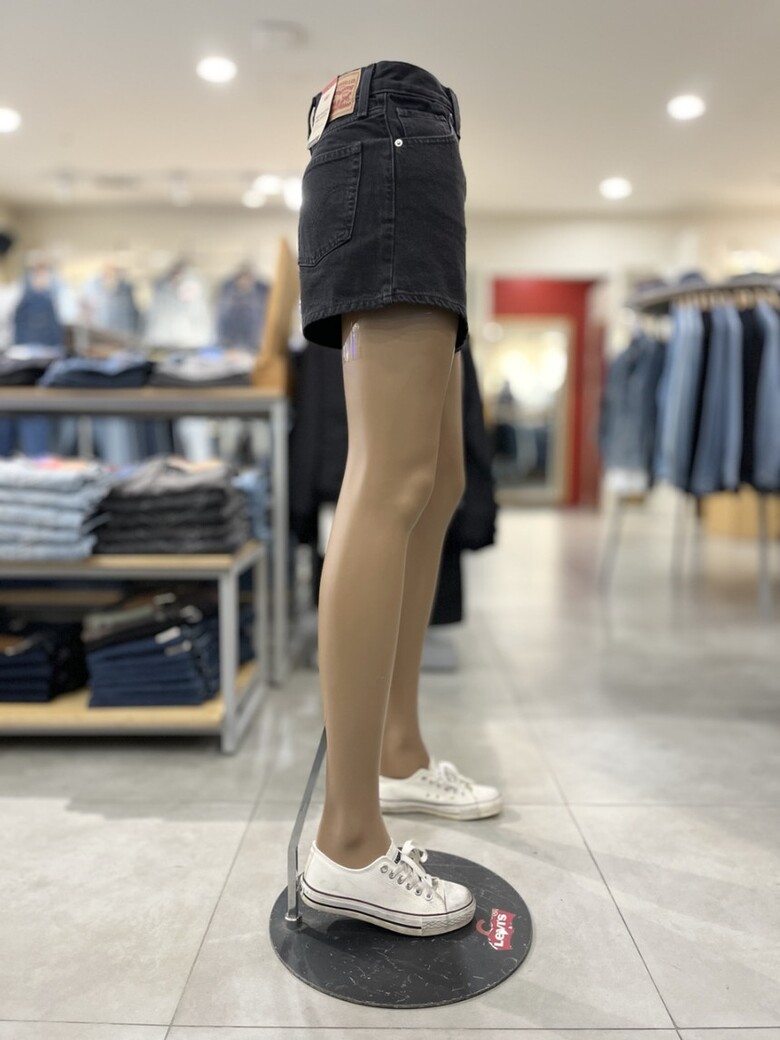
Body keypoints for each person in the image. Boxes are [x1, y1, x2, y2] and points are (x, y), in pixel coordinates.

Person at [297, 61, 501, 937]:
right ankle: (347, 839)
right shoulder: (391, 128)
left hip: (408, 145)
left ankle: (398, 751)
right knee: (391, 477)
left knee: (439, 477)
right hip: (392, 136)